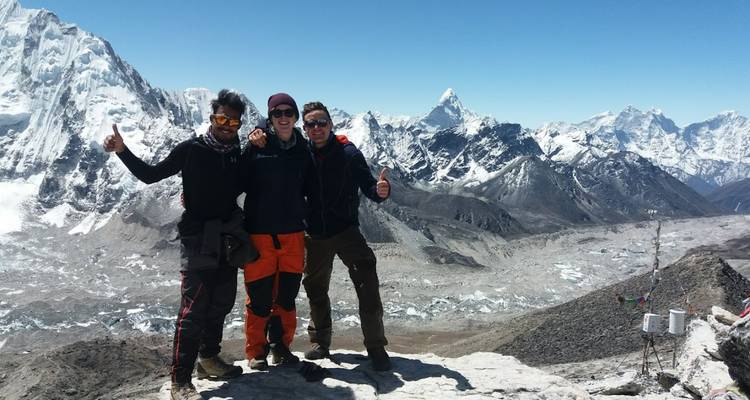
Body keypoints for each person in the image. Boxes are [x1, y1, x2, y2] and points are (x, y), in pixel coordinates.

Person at [103, 89, 254, 400]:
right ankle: (180, 381)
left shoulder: (238, 152)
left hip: (227, 236)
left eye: (233, 121)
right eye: (221, 118)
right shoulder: (191, 150)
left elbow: (244, 184)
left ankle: (209, 359)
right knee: (194, 308)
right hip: (198, 236)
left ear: (239, 124)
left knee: (222, 302)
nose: (226, 125)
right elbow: (150, 175)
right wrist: (122, 150)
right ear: (212, 117)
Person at [248, 100, 392, 371]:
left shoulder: (348, 153)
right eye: (311, 124)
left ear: (331, 124)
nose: (317, 128)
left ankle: (375, 346)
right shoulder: (302, 152)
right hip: (314, 234)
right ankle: (321, 343)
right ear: (305, 128)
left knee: (367, 286)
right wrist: (257, 129)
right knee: (316, 290)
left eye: (321, 123)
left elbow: (369, 186)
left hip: (347, 231)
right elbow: (277, 132)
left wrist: (381, 191)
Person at [240, 93, 311, 370]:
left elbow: (312, 187)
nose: (283, 118)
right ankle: (256, 352)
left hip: (293, 234)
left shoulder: (302, 150)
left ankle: (281, 348)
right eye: (277, 113)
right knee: (258, 297)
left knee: (287, 296)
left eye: (288, 113)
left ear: (295, 118)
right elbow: (235, 179)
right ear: (269, 118)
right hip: (260, 235)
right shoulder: (257, 145)